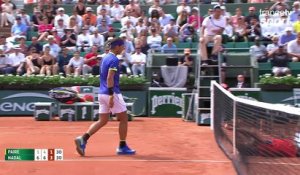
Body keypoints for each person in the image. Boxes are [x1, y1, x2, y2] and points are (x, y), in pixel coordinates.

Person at [75, 38, 136, 156]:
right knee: (123, 119)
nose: (123, 48)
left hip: (101, 93)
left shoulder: (105, 57)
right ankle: (122, 146)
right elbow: (109, 78)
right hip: (111, 93)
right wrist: (112, 95)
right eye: (122, 46)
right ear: (117, 47)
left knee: (103, 120)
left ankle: (83, 139)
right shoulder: (114, 59)